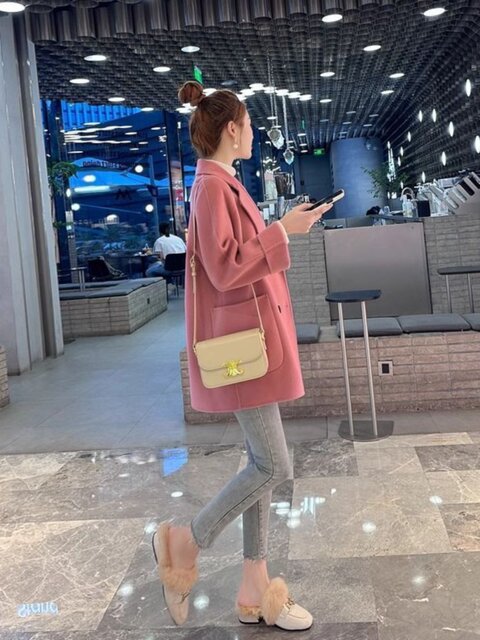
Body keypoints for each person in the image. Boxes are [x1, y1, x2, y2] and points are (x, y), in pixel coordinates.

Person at [151, 81, 332, 631]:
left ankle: (255, 589)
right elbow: (226, 267)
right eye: (250, 125)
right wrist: (282, 230)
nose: (253, 134)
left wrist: (286, 227)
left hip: (251, 345)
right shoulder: (211, 188)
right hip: (241, 349)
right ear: (232, 129)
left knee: (261, 461)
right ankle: (185, 541)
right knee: (273, 464)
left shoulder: (222, 183)